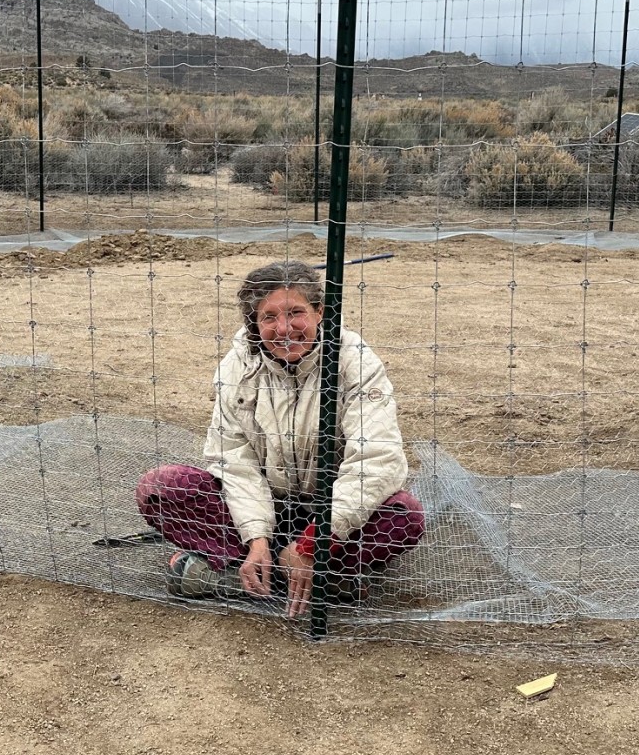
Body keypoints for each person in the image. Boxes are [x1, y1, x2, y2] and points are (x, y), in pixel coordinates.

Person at [136, 259, 425, 616]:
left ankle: (251, 570)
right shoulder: (236, 367)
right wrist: (257, 537)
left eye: (296, 312)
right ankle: (308, 575)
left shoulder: (356, 362)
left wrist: (312, 542)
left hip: (329, 516)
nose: (284, 328)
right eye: (269, 317)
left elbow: (376, 461)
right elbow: (234, 462)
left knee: (404, 516)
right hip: (264, 506)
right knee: (161, 488)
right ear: (254, 325)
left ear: (320, 312)